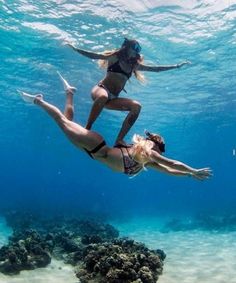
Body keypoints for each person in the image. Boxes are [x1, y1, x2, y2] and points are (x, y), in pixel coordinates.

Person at [18, 73, 211, 180]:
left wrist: (188, 176)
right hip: (96, 146)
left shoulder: (146, 161)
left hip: (93, 152)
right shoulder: (149, 153)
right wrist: (193, 170)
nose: (161, 154)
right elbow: (171, 163)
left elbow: (170, 170)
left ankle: (69, 92)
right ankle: (38, 101)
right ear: (155, 145)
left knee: (66, 122)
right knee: (62, 122)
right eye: (161, 149)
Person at [66, 38, 190, 147]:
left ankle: (119, 140)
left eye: (139, 49)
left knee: (137, 107)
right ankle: (87, 129)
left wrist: (176, 66)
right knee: (103, 96)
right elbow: (95, 55)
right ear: (127, 47)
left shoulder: (134, 66)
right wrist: (75, 49)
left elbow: (156, 69)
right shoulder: (114, 57)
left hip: (113, 99)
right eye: (135, 48)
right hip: (100, 90)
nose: (137, 51)